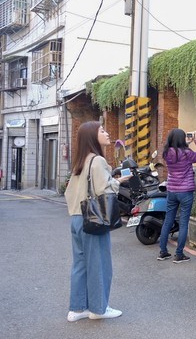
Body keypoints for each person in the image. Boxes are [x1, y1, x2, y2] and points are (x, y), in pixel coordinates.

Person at [64, 121, 131, 322]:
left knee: (80, 264)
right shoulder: (97, 161)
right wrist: (117, 181)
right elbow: (105, 189)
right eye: (102, 130)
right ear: (93, 137)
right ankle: (99, 309)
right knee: (100, 264)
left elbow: (70, 192)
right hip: (93, 219)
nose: (107, 133)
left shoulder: (81, 161)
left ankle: (77, 309)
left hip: (77, 218)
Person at [158, 129, 196, 263]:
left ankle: (163, 252)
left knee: (168, 220)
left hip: (172, 190)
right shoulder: (186, 153)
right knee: (183, 222)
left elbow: (179, 153)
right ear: (181, 139)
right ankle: (179, 254)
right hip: (185, 192)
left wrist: (187, 144)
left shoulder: (167, 153)